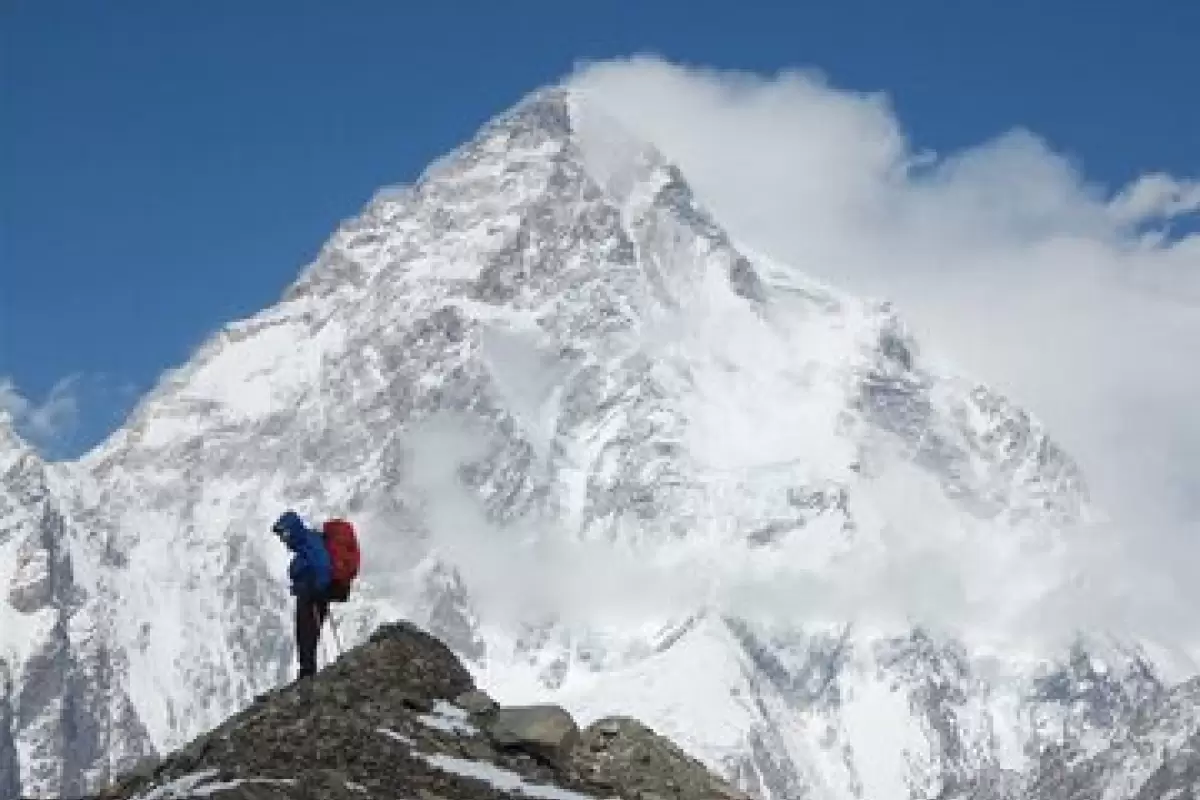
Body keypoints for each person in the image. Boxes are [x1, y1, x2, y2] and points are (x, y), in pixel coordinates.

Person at [272, 510, 332, 679]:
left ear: (293, 529)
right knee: (306, 633)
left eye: (284, 534)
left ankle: (308, 672)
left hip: (312, 597)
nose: (283, 539)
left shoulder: (309, 543)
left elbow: (322, 568)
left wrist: (313, 589)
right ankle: (307, 670)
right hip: (310, 595)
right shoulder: (305, 544)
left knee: (307, 632)